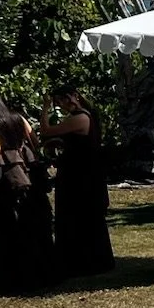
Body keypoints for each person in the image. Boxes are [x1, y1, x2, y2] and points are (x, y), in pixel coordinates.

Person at [0, 87, 56, 292]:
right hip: (24, 176)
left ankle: (4, 273)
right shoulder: (18, 118)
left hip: (1, 179)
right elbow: (34, 142)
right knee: (29, 223)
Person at [40, 87, 114, 277]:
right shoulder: (85, 116)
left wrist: (45, 109)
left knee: (79, 216)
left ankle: (83, 261)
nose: (59, 106)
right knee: (81, 216)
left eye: (59, 102)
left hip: (80, 174)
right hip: (82, 172)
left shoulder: (80, 118)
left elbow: (46, 131)